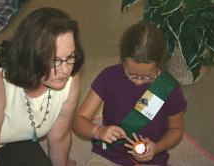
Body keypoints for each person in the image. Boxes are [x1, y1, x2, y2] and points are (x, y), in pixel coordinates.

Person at [0, 7, 84, 166]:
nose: (65, 70)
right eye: (54, 60)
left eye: (70, 57)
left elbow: (60, 136)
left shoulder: (69, 75)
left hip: (6, 142)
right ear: (30, 56)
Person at [72, 21, 187, 166]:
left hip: (151, 159)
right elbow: (78, 120)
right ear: (122, 59)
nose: (138, 81)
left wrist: (157, 147)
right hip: (108, 155)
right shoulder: (108, 76)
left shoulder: (169, 88)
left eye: (147, 76)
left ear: (160, 63)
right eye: (131, 74)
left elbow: (176, 129)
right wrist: (99, 131)